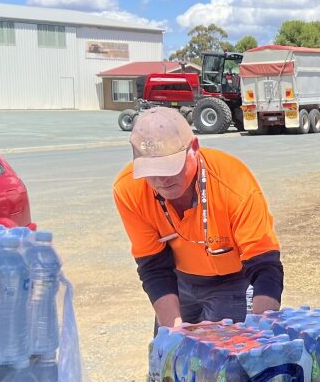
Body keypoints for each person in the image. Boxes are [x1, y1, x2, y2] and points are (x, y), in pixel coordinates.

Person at [112, 106, 283, 328]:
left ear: (194, 148)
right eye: (152, 170)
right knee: (171, 355)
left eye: (170, 167)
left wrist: (260, 334)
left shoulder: (234, 182)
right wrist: (173, 333)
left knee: (224, 359)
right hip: (177, 282)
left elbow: (265, 266)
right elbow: (153, 266)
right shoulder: (129, 189)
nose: (162, 180)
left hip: (231, 282)